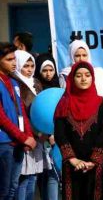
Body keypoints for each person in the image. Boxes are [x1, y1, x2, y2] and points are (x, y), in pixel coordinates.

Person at [54, 61, 103, 200]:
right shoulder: (63, 104)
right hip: (72, 164)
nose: (83, 78)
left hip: (97, 163)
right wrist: (72, 159)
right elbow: (60, 133)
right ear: (72, 79)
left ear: (92, 78)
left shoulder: (102, 103)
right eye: (78, 75)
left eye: (87, 75)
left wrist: (94, 160)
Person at [0, 42, 36, 200]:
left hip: (18, 142)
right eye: (9, 59)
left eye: (14, 58)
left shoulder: (14, 82)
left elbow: (22, 111)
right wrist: (23, 137)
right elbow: (2, 118)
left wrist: (28, 136)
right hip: (4, 143)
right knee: (4, 190)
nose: (14, 62)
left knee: (13, 187)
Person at [13, 50, 44, 200]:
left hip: (39, 136)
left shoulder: (36, 83)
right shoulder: (16, 84)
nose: (30, 69)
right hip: (26, 135)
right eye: (26, 65)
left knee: (33, 177)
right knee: (23, 179)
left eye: (32, 65)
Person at [34, 53, 60, 200]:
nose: (48, 74)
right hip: (41, 138)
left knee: (53, 174)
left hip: (57, 139)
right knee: (41, 177)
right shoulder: (36, 89)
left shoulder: (59, 87)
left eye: (51, 70)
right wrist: (47, 134)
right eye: (45, 70)